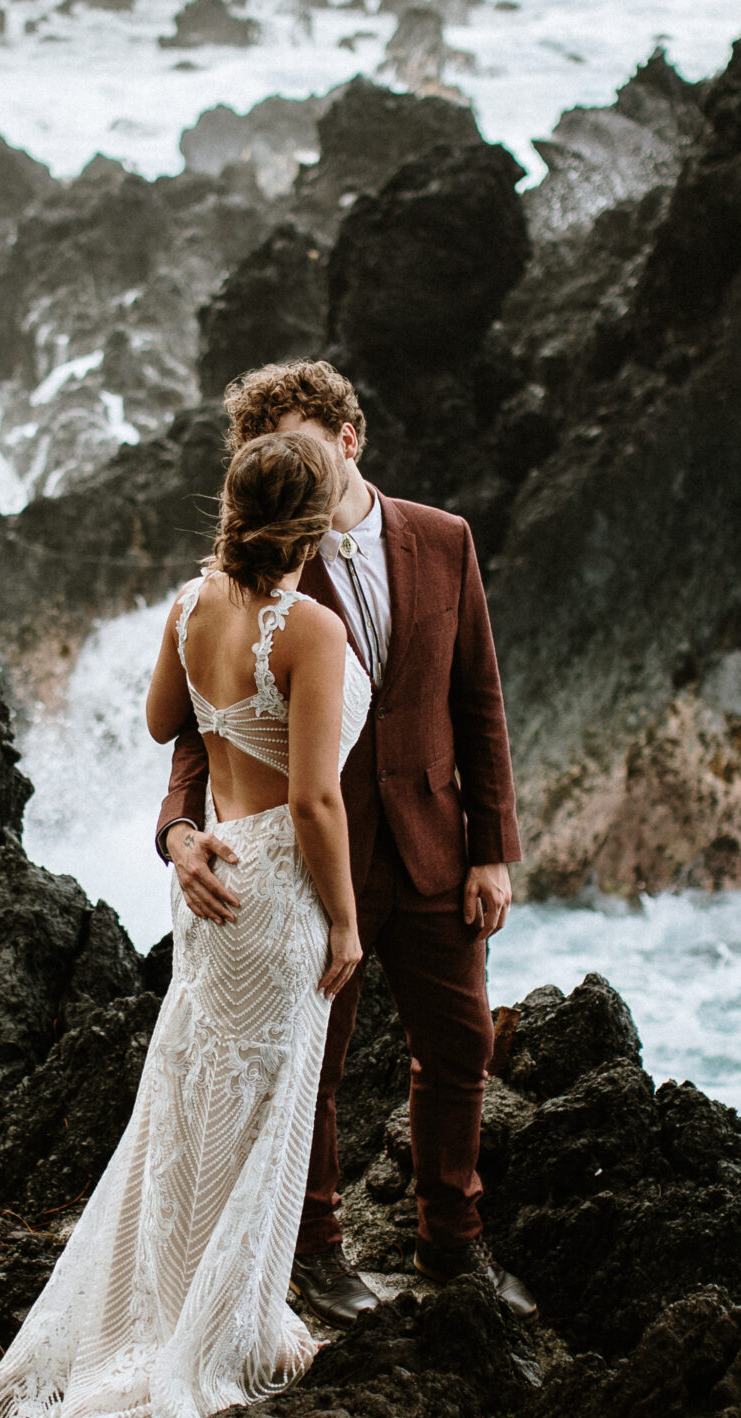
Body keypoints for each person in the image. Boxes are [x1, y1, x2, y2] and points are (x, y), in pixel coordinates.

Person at [0, 429, 370, 1418]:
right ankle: (216, 1323)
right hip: (275, 883)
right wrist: (346, 920)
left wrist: (194, 800)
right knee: (260, 1098)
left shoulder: (191, 609)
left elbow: (159, 723)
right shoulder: (312, 632)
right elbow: (320, 799)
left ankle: (192, 1302)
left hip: (210, 873)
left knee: (192, 1090)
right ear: (312, 526)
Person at [157, 361, 539, 1330]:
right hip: (303, 862)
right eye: (265, 457)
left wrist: (493, 847)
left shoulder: (444, 540)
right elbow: (208, 724)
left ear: (349, 437)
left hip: (434, 845)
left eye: (298, 446)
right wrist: (178, 830)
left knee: (461, 1044)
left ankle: (452, 1237)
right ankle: (317, 1250)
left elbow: (478, 700)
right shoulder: (261, 573)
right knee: (309, 1065)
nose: (285, 473)